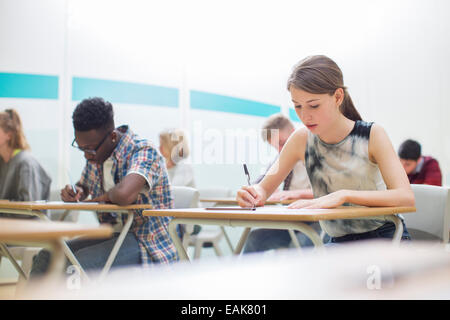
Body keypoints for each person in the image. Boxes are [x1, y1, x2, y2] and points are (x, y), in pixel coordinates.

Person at [237, 55, 413, 246]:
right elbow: (263, 188)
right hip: (338, 242)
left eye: (314, 105)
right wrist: (253, 193)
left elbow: (405, 197)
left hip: (385, 237)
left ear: (338, 97)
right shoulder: (301, 139)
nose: (305, 115)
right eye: (297, 106)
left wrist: (344, 195)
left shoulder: (372, 134)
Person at [31, 97, 178, 276]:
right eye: (81, 148)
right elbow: (83, 186)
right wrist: (77, 192)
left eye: (90, 149)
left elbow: (124, 195)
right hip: (110, 234)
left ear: (113, 137)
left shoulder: (144, 151)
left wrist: (106, 196)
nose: (86, 156)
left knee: (75, 265)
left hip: (147, 241)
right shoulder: (97, 155)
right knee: (46, 257)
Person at [243, 113, 324, 253]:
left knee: (299, 245)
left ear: (295, 135)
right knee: (254, 239)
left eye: (282, 143)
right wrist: (252, 192)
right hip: (294, 220)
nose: (280, 150)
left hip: (319, 221)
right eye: (275, 146)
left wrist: (291, 194)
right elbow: (261, 182)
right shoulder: (281, 158)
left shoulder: (319, 154)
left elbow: (327, 192)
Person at [0, 109, 51, 206]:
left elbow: (28, 208)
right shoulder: (2, 161)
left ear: (9, 135)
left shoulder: (26, 163)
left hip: (25, 221)